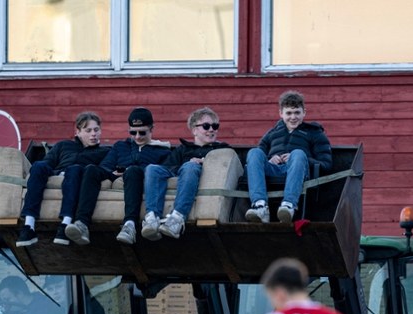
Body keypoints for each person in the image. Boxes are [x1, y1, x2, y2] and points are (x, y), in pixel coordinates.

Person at [64, 107, 171, 246]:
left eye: (142, 132)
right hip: (116, 175)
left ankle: (129, 225)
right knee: (91, 169)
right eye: (133, 132)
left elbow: (163, 171)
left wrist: (130, 170)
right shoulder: (121, 146)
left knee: (133, 171)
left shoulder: (162, 151)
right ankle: (82, 223)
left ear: (152, 129)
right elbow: (105, 165)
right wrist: (113, 172)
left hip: (137, 178)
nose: (137, 136)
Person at [16, 111, 109, 247]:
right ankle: (28, 226)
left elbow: (99, 172)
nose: (93, 134)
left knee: (75, 169)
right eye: (88, 130)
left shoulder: (104, 152)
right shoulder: (63, 145)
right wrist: (59, 173)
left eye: (96, 130)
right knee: (38, 165)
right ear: (77, 132)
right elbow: (48, 163)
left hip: (75, 177)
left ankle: (65, 225)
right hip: (56, 174)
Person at [141, 107, 229, 240]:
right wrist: (185, 165)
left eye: (215, 126)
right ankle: (152, 218)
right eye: (206, 126)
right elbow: (168, 167)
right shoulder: (183, 149)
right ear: (194, 130)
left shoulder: (222, 149)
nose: (211, 129)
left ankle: (177, 218)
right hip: (182, 172)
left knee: (190, 166)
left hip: (199, 174)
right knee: (152, 168)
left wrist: (204, 162)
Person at [244, 91, 332, 224]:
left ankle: (288, 206)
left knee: (297, 153)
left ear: (304, 112)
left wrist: (299, 159)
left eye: (297, 112)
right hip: (273, 171)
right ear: (281, 113)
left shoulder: (314, 133)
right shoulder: (272, 133)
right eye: (289, 113)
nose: (293, 117)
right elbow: (258, 158)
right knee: (254, 153)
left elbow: (326, 164)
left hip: (299, 172)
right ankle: (260, 206)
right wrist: (269, 159)